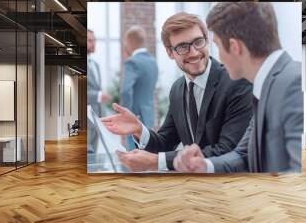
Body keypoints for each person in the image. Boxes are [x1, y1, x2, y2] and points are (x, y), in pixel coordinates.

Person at [101, 12, 253, 172]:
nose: (194, 52)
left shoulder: (237, 83)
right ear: (169, 52)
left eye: (198, 42)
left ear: (207, 41)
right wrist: (139, 129)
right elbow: (165, 142)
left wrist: (156, 162)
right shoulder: (177, 89)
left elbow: (226, 152)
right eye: (182, 47)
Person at [173, 2, 303, 173]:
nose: (217, 56)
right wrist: (205, 165)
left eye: (218, 46)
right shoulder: (265, 87)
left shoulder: (292, 82)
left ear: (235, 47)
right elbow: (243, 154)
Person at [120, 25, 159, 150]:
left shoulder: (132, 62)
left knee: (134, 159)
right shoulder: (153, 63)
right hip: (149, 118)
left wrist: (125, 116)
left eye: (125, 42)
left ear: (130, 42)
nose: (125, 45)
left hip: (135, 119)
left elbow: (125, 91)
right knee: (147, 156)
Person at [87, 29, 111, 153]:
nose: (93, 43)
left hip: (97, 117)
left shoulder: (95, 65)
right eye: (90, 40)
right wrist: (99, 95)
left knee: (93, 153)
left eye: (94, 40)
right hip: (86, 118)